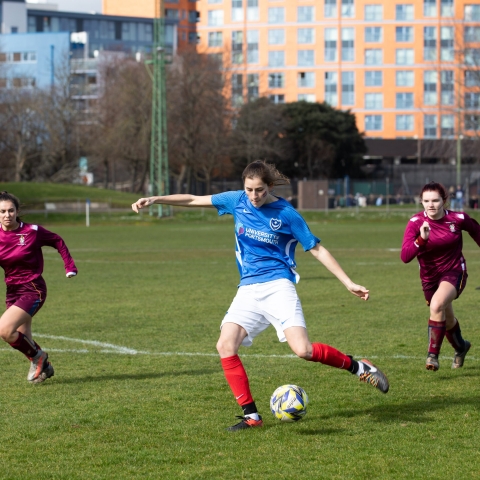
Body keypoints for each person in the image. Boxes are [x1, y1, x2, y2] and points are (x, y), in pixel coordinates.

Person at [132, 161, 389, 431]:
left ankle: (360, 368)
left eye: (260, 190)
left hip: (279, 286)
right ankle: (251, 416)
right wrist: (156, 198)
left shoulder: (286, 213)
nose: (254, 196)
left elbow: (316, 249)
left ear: (269, 186)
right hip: (248, 289)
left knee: (303, 350)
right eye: (249, 190)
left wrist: (348, 282)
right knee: (225, 345)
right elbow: (195, 198)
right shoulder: (236, 200)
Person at [0, 192, 78, 384]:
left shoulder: (32, 231)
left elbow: (57, 241)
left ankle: (38, 357)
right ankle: (45, 367)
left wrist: (70, 266)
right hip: (12, 290)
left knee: (5, 330)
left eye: (11, 210)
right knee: (24, 336)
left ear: (17, 211)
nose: (7, 215)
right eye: (2, 211)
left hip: (32, 288)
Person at [401, 181, 479, 371]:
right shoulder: (415, 223)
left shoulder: (457, 219)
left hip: (454, 271)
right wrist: (421, 240)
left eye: (435, 200)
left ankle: (432, 357)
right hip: (429, 279)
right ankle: (461, 347)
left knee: (436, 305)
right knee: (446, 317)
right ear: (421, 202)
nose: (431, 205)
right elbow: (405, 256)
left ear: (444, 201)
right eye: (426, 201)